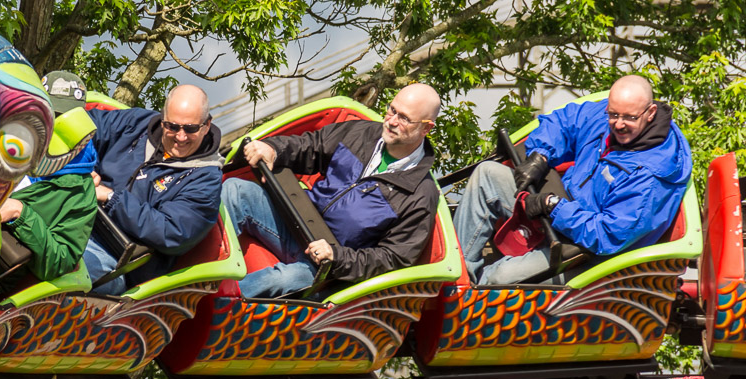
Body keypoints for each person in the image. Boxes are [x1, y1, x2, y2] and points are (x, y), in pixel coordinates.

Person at [453, 74, 692, 285]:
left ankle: (468, 309)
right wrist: (540, 156)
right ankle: (457, 281)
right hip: (564, 209)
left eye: (628, 118)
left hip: (593, 252)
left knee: (498, 278)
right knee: (488, 174)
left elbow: (607, 235)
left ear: (650, 113)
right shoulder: (607, 116)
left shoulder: (649, 176)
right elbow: (565, 122)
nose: (619, 124)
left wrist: (554, 207)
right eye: (613, 114)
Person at [226, 83, 443, 299]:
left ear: (426, 128)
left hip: (328, 266)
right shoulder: (361, 132)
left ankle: (218, 301)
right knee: (235, 190)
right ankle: (203, 268)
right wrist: (274, 149)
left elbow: (392, 259)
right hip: (298, 220)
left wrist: (337, 257)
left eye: (404, 118)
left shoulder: (420, 194)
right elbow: (311, 147)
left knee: (285, 280)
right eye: (392, 110)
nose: (392, 121)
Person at [83, 84, 224, 295]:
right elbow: (87, 127)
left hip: (119, 262)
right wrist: (85, 168)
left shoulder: (206, 179)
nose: (181, 137)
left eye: (191, 129)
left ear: (206, 125)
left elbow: (171, 231)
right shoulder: (137, 123)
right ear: (162, 118)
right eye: (173, 127)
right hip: (77, 218)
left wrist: (110, 197)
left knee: (67, 261)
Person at [0, 71, 99, 281]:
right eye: (44, 112)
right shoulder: (7, 133)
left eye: (60, 116)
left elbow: (61, 262)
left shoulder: (80, 192)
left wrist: (22, 214)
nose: (50, 123)